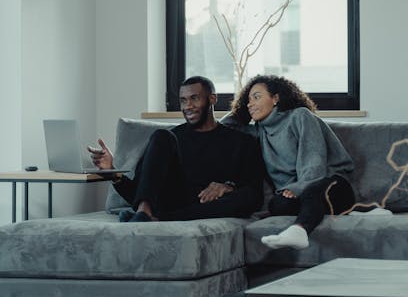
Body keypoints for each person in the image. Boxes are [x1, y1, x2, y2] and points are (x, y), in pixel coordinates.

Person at [89, 76, 264, 222]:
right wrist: (112, 171)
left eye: (195, 98)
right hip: (173, 198)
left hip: (208, 205)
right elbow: (139, 192)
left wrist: (228, 187)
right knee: (161, 136)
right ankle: (145, 213)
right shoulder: (167, 140)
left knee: (245, 198)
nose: (188, 106)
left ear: (212, 99)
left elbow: (255, 195)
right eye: (183, 100)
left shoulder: (242, 141)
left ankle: (156, 218)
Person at [230, 75, 355, 249]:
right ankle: (355, 210)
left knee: (313, 192)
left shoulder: (300, 116)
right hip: (297, 194)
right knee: (278, 204)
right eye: (247, 100)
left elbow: (315, 162)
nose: (250, 104)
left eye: (256, 97)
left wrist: (298, 188)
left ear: (275, 98)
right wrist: (238, 112)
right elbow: (226, 127)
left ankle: (299, 230)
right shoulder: (259, 130)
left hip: (330, 184)